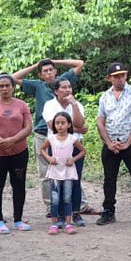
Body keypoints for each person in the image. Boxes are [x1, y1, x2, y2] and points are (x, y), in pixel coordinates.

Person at [12, 57, 84, 211]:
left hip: (68, 136)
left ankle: (79, 205)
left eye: (51, 69)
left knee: (72, 171)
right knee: (46, 172)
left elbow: (80, 64)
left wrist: (55, 61)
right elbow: (13, 78)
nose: (49, 72)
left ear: (56, 71)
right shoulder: (38, 85)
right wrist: (36, 65)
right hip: (43, 132)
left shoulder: (64, 81)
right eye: (45, 71)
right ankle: (51, 206)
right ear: (41, 75)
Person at [95, 62, 131, 226]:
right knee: (109, 179)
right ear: (109, 78)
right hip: (111, 143)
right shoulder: (104, 97)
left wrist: (128, 142)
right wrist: (108, 142)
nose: (120, 79)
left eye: (122, 75)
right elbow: (100, 121)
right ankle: (108, 210)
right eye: (116, 76)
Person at [0, 73, 33, 233]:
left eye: (7, 85)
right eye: (1, 86)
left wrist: (12, 140)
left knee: (19, 184)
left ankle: (18, 220)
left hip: (19, 151)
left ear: (13, 87)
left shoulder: (22, 105)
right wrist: (2, 141)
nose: (4, 89)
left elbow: (28, 128)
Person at [42, 78, 89, 226]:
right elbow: (54, 127)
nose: (68, 90)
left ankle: (75, 213)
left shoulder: (77, 105)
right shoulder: (49, 105)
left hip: (74, 146)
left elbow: (80, 123)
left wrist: (74, 104)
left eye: (69, 87)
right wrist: (78, 129)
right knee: (57, 181)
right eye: (64, 87)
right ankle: (60, 214)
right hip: (56, 147)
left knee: (75, 180)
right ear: (56, 91)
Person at [40, 112, 87, 234]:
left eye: (63, 123)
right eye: (57, 123)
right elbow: (42, 149)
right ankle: (54, 224)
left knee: (67, 197)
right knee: (55, 198)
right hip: (55, 172)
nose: (60, 126)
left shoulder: (73, 139)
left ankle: (68, 223)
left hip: (68, 172)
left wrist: (73, 159)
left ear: (69, 124)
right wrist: (49, 158)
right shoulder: (51, 138)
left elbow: (82, 151)